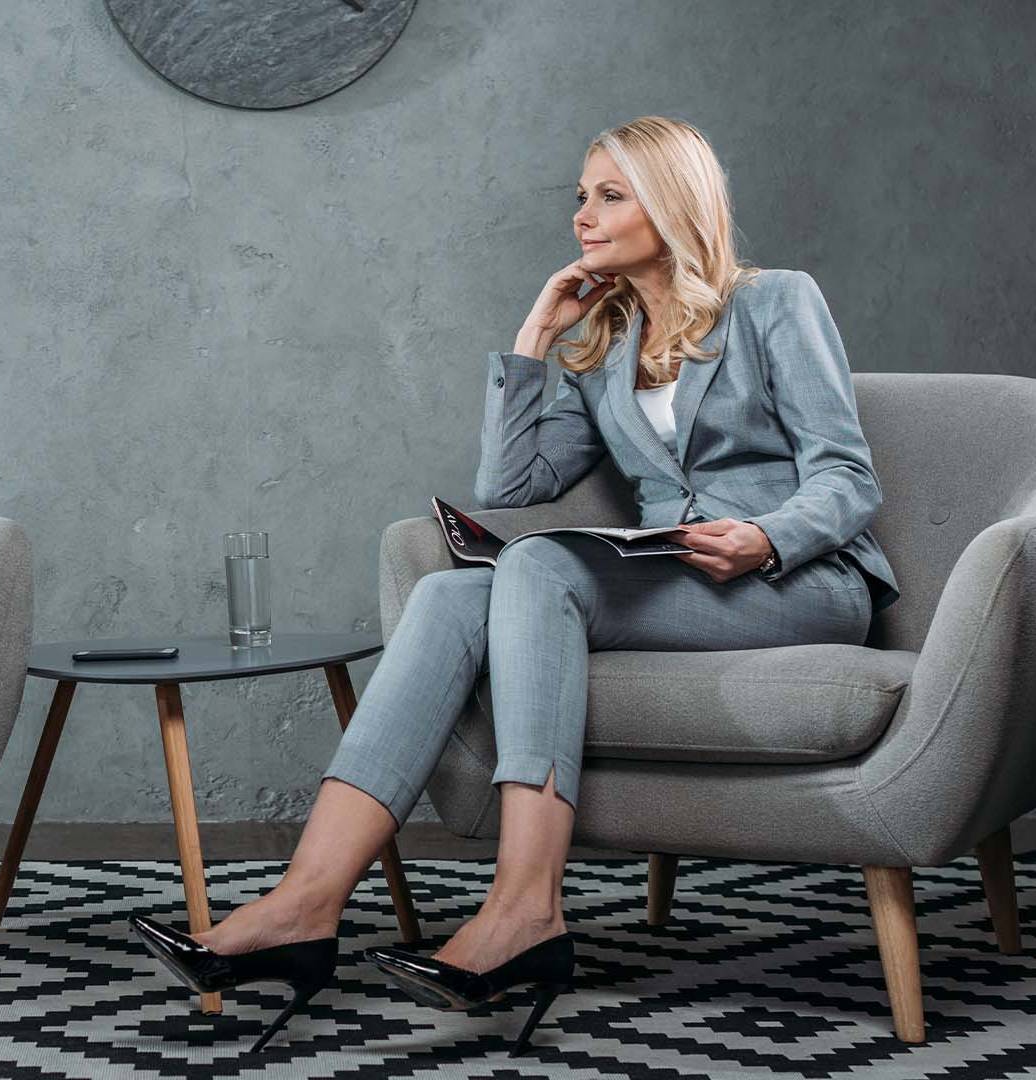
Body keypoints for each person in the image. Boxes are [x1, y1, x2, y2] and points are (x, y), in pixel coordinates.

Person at [131, 115, 898, 1056]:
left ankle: (527, 908)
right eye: (580, 196)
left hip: (801, 580)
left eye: (610, 195)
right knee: (453, 594)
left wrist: (764, 538)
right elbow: (509, 491)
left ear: (673, 200)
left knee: (534, 565)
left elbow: (850, 479)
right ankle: (303, 905)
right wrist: (534, 336)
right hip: (680, 580)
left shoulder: (776, 303)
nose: (583, 215)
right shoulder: (608, 345)